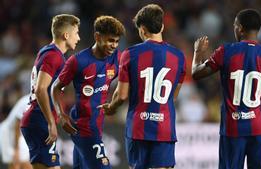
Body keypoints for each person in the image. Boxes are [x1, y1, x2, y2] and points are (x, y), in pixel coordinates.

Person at [192, 9, 261, 169]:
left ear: (240, 28)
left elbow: (196, 73)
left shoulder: (225, 51)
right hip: (259, 128)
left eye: (235, 25)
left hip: (232, 128)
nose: (234, 28)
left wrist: (197, 53)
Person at [100, 4, 186, 169]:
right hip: (164, 127)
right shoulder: (179, 57)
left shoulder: (130, 54)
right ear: (162, 26)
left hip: (138, 127)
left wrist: (111, 107)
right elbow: (173, 96)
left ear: (143, 30)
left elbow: (122, 95)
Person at [51, 15, 125, 169]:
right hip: (82, 125)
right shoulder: (78, 61)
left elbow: (125, 82)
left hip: (97, 124)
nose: (114, 45)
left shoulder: (117, 58)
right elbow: (56, 88)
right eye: (110, 40)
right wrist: (60, 114)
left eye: (117, 42)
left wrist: (114, 103)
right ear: (97, 36)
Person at [20, 14, 80, 169]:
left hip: (37, 118)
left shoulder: (49, 51)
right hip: (38, 119)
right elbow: (41, 89)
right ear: (66, 35)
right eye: (76, 33)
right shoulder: (53, 56)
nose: (78, 38)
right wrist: (50, 122)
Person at [0, 94, 32, 169]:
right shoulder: (28, 102)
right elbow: (17, 126)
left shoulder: (38, 101)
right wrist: (16, 149)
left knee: (26, 164)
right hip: (8, 134)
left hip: (20, 135)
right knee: (15, 165)